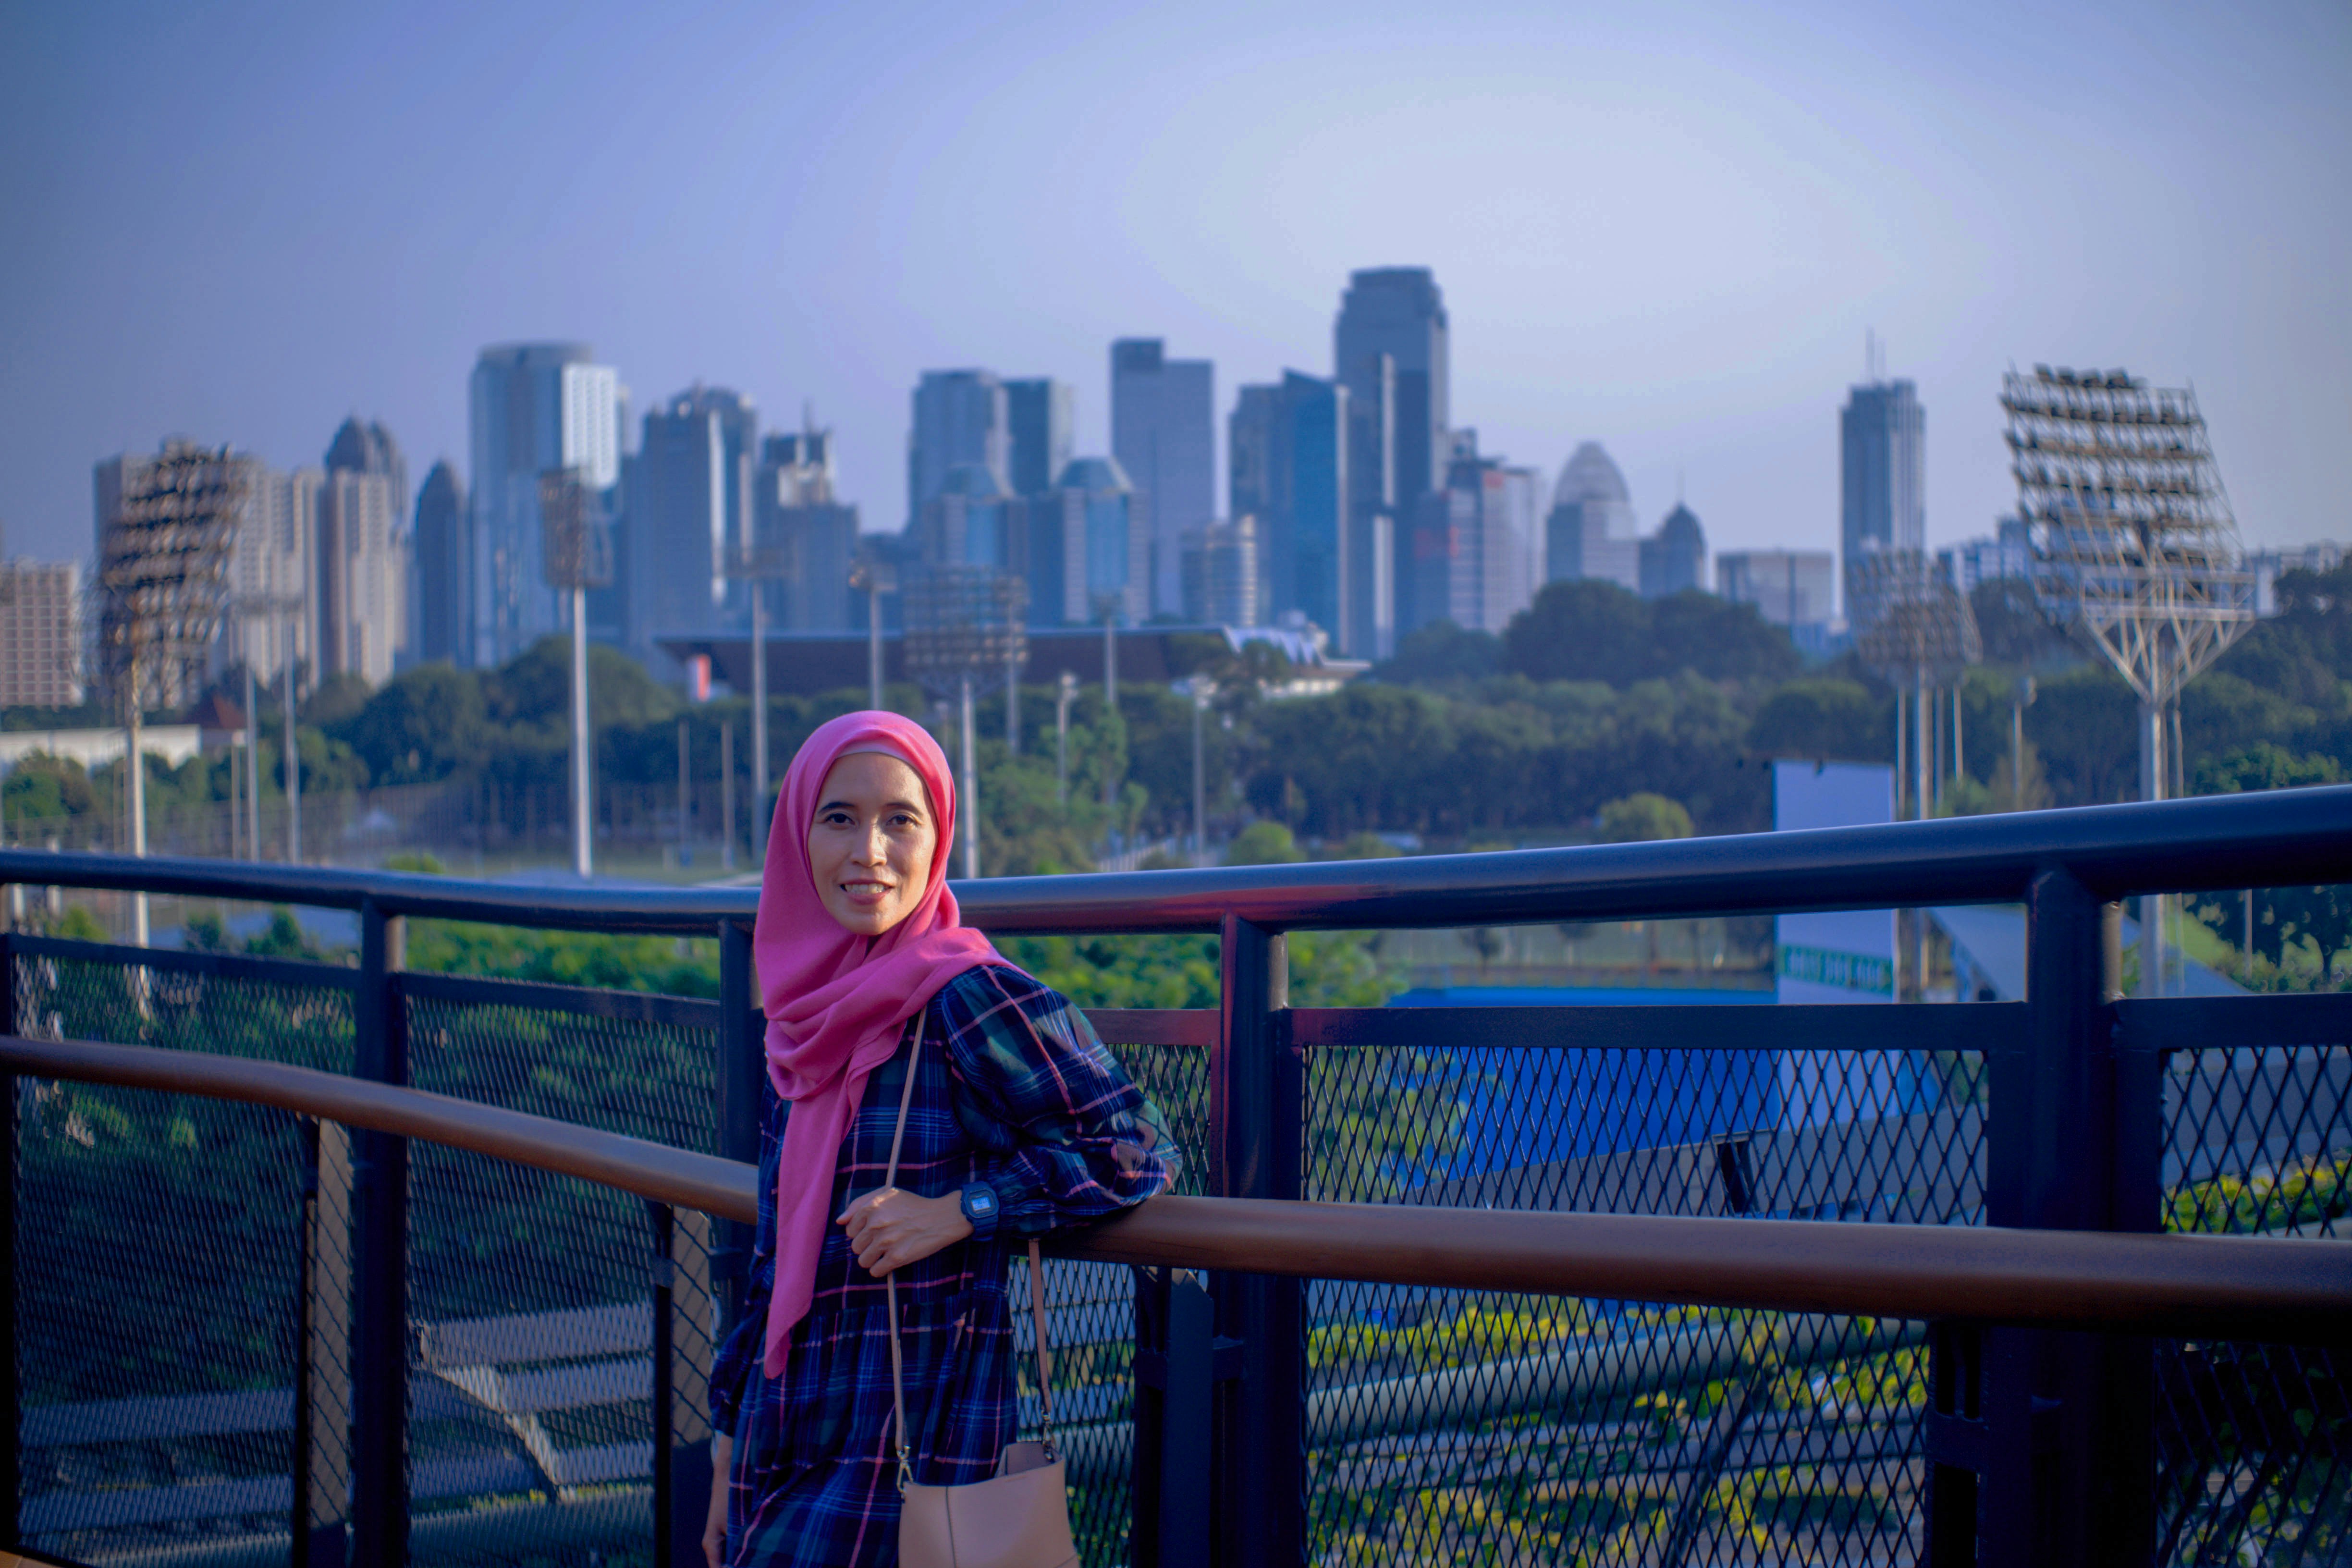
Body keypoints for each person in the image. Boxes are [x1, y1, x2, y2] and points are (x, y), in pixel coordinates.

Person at [704, 710, 1176, 1567]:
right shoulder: (800, 1025)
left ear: (940, 835)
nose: (869, 853)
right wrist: (729, 1434)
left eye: (900, 821)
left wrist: (965, 1209)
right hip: (784, 1439)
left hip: (909, 1447)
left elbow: (1138, 1148)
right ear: (796, 834)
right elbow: (776, 1258)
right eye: (839, 818)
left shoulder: (968, 995)